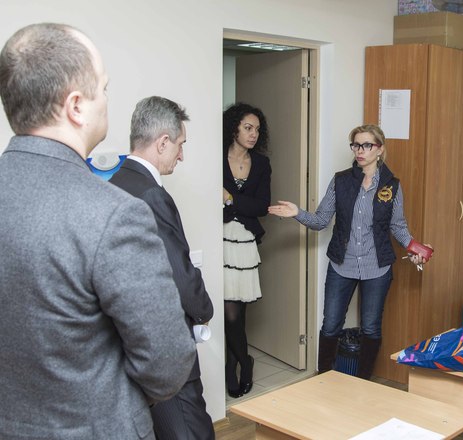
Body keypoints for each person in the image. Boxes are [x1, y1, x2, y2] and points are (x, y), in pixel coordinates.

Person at [0, 24, 196, 440]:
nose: (107, 100)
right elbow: (167, 362)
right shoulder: (115, 214)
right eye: (103, 89)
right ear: (76, 106)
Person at [268, 124, 433, 380]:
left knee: (371, 328)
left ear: (380, 149)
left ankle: (363, 381)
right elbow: (321, 220)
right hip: (341, 264)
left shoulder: (392, 186)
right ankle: (324, 378)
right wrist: (297, 212)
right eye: (356, 145)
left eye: (367, 145)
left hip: (377, 267)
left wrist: (415, 248)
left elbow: (398, 227)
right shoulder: (341, 180)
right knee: (331, 325)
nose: (360, 150)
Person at [110, 96, 214, 440]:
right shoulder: (152, 195)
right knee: (192, 432)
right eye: (180, 145)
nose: (181, 155)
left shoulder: (114, 183)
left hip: (129, 342)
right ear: (163, 142)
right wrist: (204, 311)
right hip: (163, 344)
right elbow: (179, 272)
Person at [222, 103, 271, 398]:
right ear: (234, 128)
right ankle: (240, 363)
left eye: (257, 130)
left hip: (245, 242)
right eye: (247, 128)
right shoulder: (216, 157)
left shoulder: (261, 164)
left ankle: (238, 363)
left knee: (239, 312)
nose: (253, 134)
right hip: (220, 239)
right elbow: (211, 201)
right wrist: (239, 205)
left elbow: (262, 206)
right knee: (228, 313)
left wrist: (229, 199)